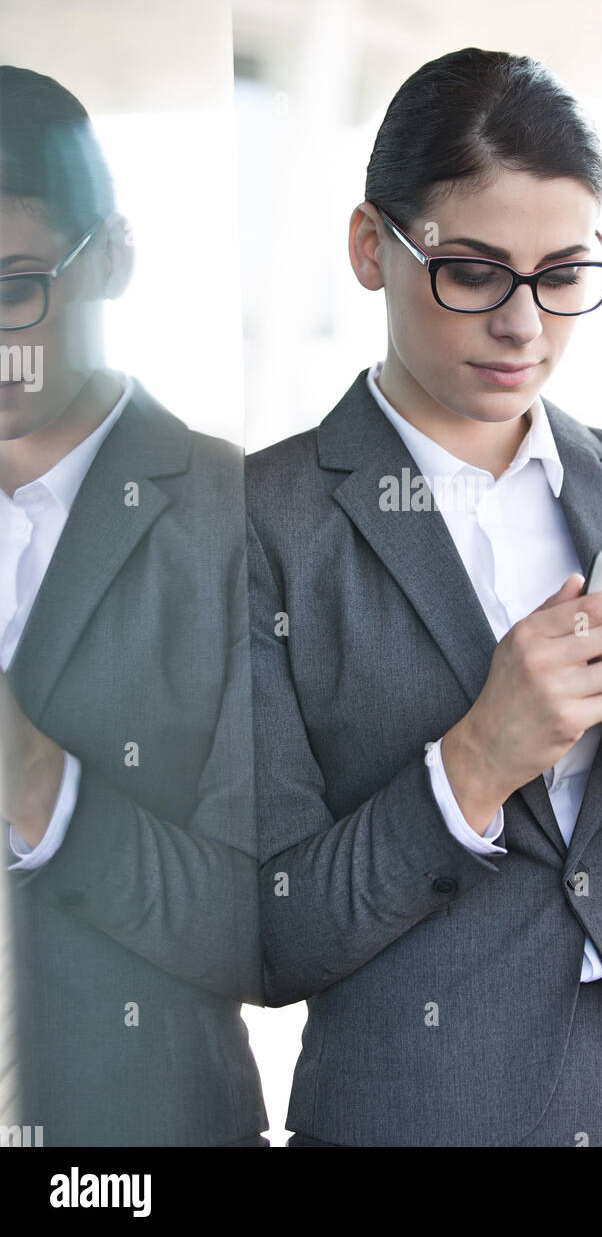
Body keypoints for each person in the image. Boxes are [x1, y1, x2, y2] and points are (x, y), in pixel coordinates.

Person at [246, 47, 602, 1147]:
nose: (523, 325)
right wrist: (472, 759)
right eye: (471, 270)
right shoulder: (258, 526)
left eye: (562, 275)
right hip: (427, 1114)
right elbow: (263, 939)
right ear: (372, 247)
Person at [0, 66, 267, 1145]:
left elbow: (266, 928)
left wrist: (35, 784)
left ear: (111, 257)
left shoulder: (242, 519)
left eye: (13, 283)